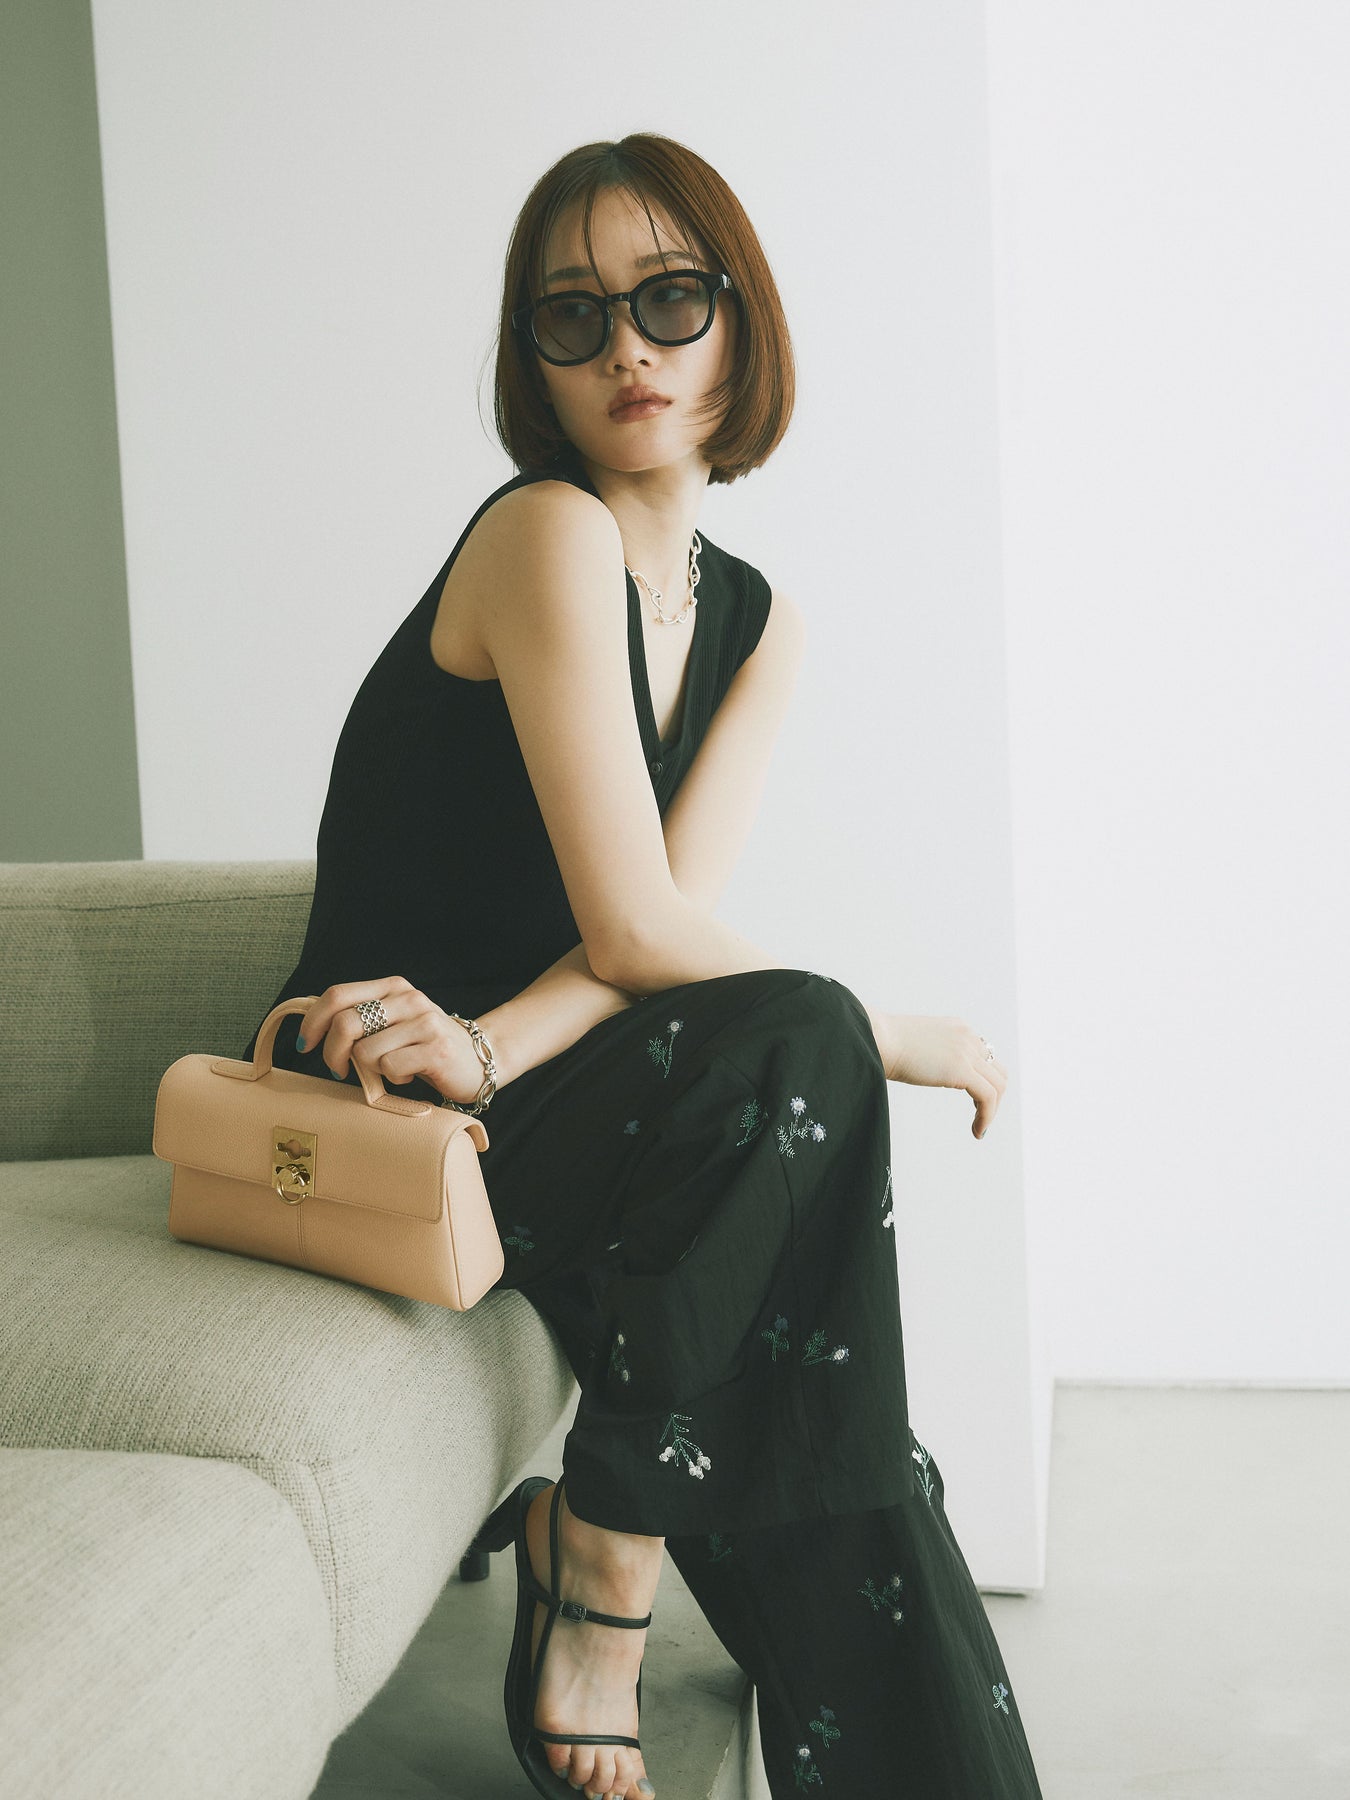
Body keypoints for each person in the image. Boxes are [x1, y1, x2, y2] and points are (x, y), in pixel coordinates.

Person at [245, 134, 1042, 1800]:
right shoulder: (545, 532)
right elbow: (636, 930)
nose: (626, 348)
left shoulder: (755, 618)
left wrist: (499, 1042)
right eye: (573, 314)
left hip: (509, 1070)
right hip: (386, 1088)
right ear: (531, 359)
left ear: (739, 320)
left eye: (671, 299)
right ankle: (607, 1564)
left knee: (842, 1421)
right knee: (807, 1051)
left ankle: (605, 1545)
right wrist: (889, 1031)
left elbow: (648, 939)